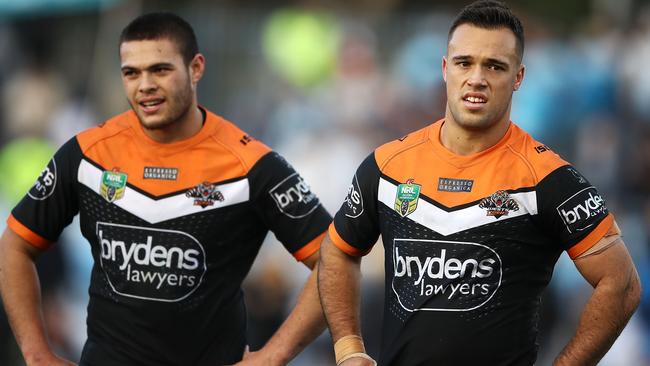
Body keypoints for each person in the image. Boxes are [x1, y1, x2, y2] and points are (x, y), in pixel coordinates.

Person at [317, 1, 641, 365]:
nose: (477, 78)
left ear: (518, 77)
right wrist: (348, 349)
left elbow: (622, 284)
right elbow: (338, 250)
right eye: (464, 62)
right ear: (444, 69)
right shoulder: (387, 165)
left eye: (495, 66)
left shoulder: (548, 178)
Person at [0, 12, 329, 366]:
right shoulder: (86, 154)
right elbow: (15, 246)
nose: (145, 85)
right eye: (131, 73)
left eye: (160, 69)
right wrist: (36, 354)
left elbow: (335, 261)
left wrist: (273, 355)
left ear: (196, 68)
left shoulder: (253, 164)